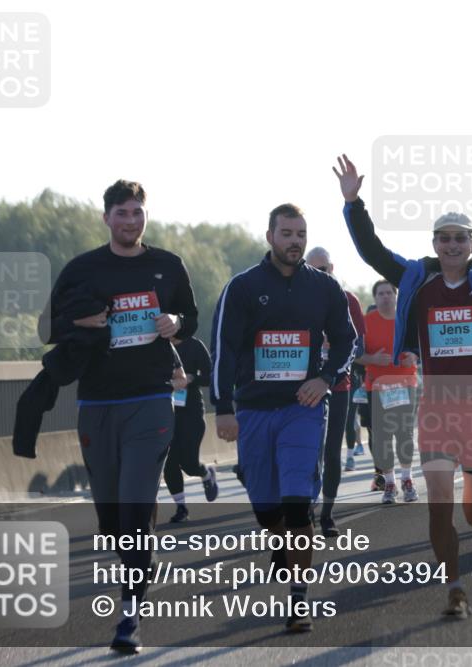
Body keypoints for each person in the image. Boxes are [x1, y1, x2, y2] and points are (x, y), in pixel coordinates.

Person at [335, 152, 472, 618]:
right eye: (444, 238)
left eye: (460, 238)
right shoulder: (418, 279)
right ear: (434, 243)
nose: (452, 245)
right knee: (438, 506)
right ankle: (454, 588)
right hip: (437, 406)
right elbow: (372, 251)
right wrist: (353, 204)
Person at [45, 180, 198, 653]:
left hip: (150, 400)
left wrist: (176, 323)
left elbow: (190, 318)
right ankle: (138, 557)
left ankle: (129, 614)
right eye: (122, 213)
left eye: (137, 212)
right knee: (112, 518)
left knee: (134, 504)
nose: (131, 221)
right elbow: (48, 327)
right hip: (97, 403)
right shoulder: (83, 269)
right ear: (106, 218)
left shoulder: (167, 265)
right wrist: (79, 323)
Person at [211, 202, 356, 633]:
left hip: (302, 408)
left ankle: (298, 600)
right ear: (270, 236)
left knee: (296, 504)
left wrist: (325, 379)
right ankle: (279, 542)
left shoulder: (324, 288)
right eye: (287, 233)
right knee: (266, 509)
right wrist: (223, 407)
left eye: (301, 234)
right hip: (254, 409)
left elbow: (347, 341)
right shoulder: (242, 287)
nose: (295, 241)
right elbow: (224, 350)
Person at [305, 247, 366, 537]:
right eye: (313, 270)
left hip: (339, 386)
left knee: (331, 452)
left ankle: (327, 514)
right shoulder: (297, 299)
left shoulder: (348, 300)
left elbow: (358, 346)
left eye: (324, 269)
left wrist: (334, 359)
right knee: (309, 452)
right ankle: (306, 511)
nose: (320, 274)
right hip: (305, 387)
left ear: (333, 268)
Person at [357, 279, 420, 503]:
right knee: (382, 436)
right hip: (377, 384)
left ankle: (407, 479)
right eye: (380, 294)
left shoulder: (407, 319)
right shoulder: (366, 322)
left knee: (404, 433)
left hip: (405, 383)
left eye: (389, 293)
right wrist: (372, 359)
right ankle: (390, 483)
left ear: (396, 296)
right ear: (375, 298)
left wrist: (414, 356)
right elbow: (355, 354)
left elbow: (420, 346)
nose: (385, 297)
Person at [163, 335, 217, 523]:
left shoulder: (194, 345)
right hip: (165, 411)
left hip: (191, 412)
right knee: (169, 463)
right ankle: (181, 508)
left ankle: (206, 473)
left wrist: (192, 378)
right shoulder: (157, 346)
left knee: (188, 464)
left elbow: (211, 377)